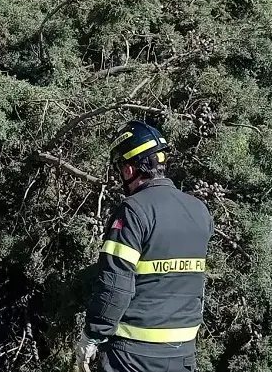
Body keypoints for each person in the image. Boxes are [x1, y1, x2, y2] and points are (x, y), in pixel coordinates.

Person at [74, 121, 213, 372]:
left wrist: (93, 335)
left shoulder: (133, 211)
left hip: (133, 355)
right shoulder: (199, 210)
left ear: (129, 169)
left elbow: (115, 282)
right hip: (183, 352)